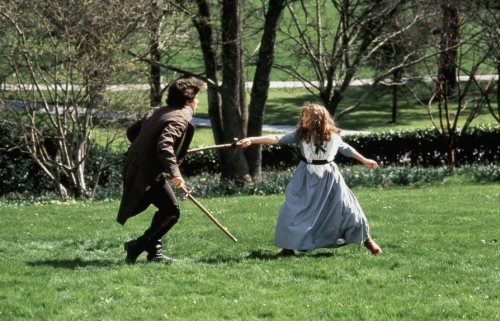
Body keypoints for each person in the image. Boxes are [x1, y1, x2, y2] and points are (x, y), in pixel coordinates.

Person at [238, 103, 382, 257]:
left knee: (348, 209)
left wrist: (365, 160)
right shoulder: (300, 135)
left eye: (307, 115)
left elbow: (346, 149)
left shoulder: (333, 136)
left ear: (317, 119)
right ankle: (288, 249)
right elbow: (277, 138)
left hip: (330, 178)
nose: (303, 118)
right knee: (293, 210)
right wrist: (252, 139)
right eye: (303, 115)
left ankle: (368, 241)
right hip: (305, 178)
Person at [116, 78, 205, 263]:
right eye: (196, 98)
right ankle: (137, 246)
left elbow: (132, 132)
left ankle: (154, 253)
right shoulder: (180, 118)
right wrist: (176, 174)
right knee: (172, 210)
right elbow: (165, 146)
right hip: (147, 172)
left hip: (140, 166)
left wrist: (145, 148)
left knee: (167, 208)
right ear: (189, 100)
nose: (198, 102)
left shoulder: (158, 111)